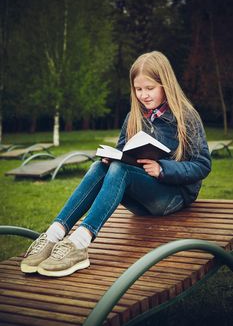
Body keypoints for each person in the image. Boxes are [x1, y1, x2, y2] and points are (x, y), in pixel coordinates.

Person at [21, 51, 211, 277]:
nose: (144, 95)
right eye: (138, 89)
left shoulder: (187, 117)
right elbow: (124, 153)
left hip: (173, 196)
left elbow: (202, 165)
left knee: (120, 170)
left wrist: (163, 169)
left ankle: (79, 244)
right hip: (141, 198)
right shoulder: (134, 117)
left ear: (165, 84)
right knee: (99, 167)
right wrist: (114, 156)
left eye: (150, 88)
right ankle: (53, 235)